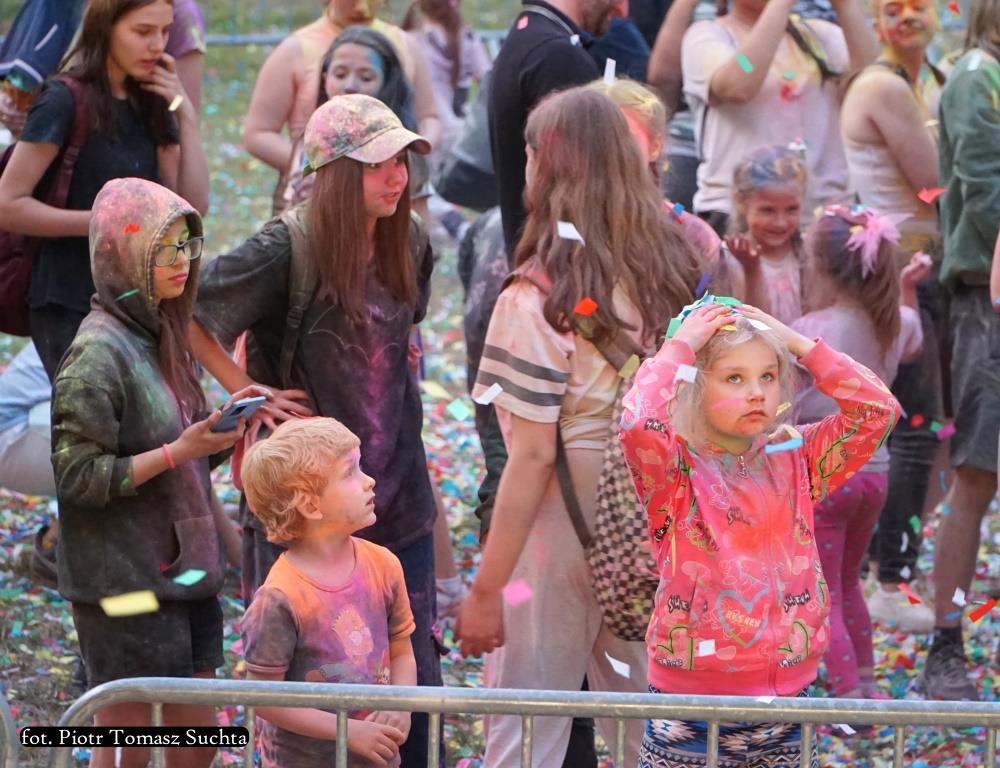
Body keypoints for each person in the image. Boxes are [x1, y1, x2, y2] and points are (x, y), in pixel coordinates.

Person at [191, 94, 441, 765]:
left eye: (403, 161)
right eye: (378, 164)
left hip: (394, 496)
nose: (397, 177)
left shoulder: (411, 238)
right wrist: (246, 392)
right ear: (334, 174)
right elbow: (189, 307)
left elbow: (404, 335)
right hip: (304, 504)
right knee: (304, 683)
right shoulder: (288, 245)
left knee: (412, 679)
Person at [456, 87, 701, 768]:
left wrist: (488, 590)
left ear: (547, 166)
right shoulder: (667, 270)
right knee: (647, 730)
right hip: (649, 516)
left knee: (526, 728)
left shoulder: (537, 296)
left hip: (557, 529)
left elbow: (532, 456)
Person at [619, 300, 901, 767]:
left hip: (789, 700)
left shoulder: (797, 457)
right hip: (692, 706)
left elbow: (878, 412)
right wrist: (679, 348)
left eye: (767, 376)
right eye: (734, 378)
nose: (756, 393)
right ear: (694, 386)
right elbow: (636, 422)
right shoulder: (675, 473)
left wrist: (798, 345)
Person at [50, 178, 263, 768]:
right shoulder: (96, 355)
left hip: (184, 575)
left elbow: (180, 453)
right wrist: (180, 449)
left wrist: (217, 435)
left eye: (187, 247)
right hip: (123, 588)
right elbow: (79, 478)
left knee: (197, 744)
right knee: (130, 743)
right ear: (123, 255)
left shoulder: (161, 334)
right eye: (165, 249)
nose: (182, 262)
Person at [0, 0, 209, 383]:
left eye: (164, 32)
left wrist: (185, 116)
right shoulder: (63, 100)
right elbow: (8, 204)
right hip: (68, 299)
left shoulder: (152, 99)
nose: (157, 45)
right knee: (93, 413)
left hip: (140, 298)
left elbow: (193, 204)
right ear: (106, 28)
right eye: (142, 31)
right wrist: (106, 221)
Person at [791, 206, 928, 698]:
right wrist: (906, 290)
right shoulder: (893, 323)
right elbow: (913, 340)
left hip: (827, 473)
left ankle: (848, 696)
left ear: (819, 267)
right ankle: (867, 683)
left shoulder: (808, 330)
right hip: (874, 474)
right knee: (849, 584)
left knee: (822, 590)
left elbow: (787, 398)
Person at [839, 0, 944, 633]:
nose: (906, 17)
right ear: (875, 21)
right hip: (904, 273)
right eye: (891, 8)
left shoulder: (927, 80)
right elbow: (934, 184)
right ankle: (889, 577)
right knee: (914, 427)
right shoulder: (883, 85)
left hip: (923, 269)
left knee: (929, 430)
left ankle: (887, 569)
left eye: (918, 6)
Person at [240, 417, 416, 768]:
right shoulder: (280, 597)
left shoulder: (384, 564)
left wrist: (402, 705)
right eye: (350, 471)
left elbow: (401, 651)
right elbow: (262, 697)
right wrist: (347, 731)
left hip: (376, 758)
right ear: (309, 505)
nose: (369, 481)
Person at [918, 0, 1000, 702]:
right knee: (975, 473)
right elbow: (985, 188)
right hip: (987, 300)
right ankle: (945, 646)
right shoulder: (978, 74)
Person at [680, 0, 878, 234]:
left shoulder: (821, 35)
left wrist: (845, 6)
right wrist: (780, 5)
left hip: (826, 218)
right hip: (741, 218)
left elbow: (876, 86)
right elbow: (740, 83)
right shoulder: (708, 36)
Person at [242, 0, 441, 191]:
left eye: (366, 77)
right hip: (315, 192)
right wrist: (317, 166)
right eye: (340, 74)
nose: (361, 6)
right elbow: (258, 133)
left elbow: (429, 117)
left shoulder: (405, 45)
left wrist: (410, 157)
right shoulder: (293, 50)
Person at [489, 0, 627, 255]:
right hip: (566, 267)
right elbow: (583, 193)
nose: (622, 11)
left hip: (541, 261)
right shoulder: (557, 57)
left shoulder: (529, 38)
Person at [276, 25, 422, 213]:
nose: (350, 85)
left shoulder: (400, 150)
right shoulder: (308, 143)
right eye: (340, 75)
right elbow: (288, 213)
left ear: (386, 83)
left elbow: (418, 220)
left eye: (366, 77)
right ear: (325, 78)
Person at [724, 144, 808, 325]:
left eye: (792, 209)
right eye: (768, 210)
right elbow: (752, 327)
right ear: (740, 202)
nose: (780, 222)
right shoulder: (730, 259)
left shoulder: (806, 253)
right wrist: (751, 270)